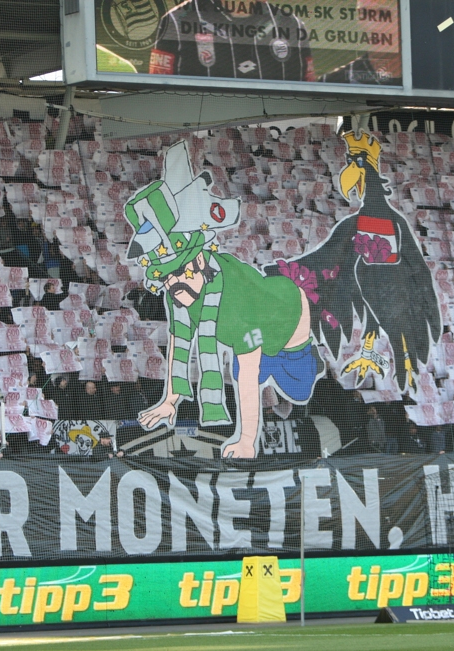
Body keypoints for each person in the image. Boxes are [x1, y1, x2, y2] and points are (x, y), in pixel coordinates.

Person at [127, 141, 323, 458]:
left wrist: (246, 440)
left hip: (287, 326)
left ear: (201, 262)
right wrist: (169, 400)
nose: (175, 284)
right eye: (168, 277)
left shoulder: (232, 308)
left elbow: (246, 377)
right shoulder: (185, 294)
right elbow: (180, 341)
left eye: (181, 272)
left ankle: (310, 360)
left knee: (294, 387)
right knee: (249, 368)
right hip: (256, 328)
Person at [149, 0, 314, 82]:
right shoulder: (177, 20)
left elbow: (309, 93)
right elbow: (157, 89)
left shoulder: (290, 24)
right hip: (199, 133)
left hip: (273, 132)